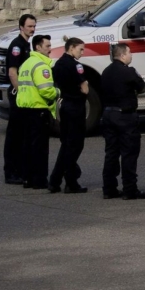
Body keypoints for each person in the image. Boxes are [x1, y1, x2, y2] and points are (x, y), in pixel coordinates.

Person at [100, 42, 145, 200]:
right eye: (129, 52)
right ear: (122, 55)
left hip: (108, 115)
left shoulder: (105, 72)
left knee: (111, 153)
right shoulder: (129, 72)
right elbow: (142, 87)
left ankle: (109, 188)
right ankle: (130, 189)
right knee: (129, 153)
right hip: (125, 116)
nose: (131, 55)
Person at [16, 34, 57, 190]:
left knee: (27, 146)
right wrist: (58, 93)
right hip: (38, 110)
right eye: (47, 46)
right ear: (38, 47)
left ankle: (27, 178)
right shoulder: (41, 66)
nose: (50, 49)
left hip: (25, 110)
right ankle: (39, 180)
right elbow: (46, 90)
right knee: (40, 148)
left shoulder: (26, 64)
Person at [49, 36, 89, 193]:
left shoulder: (58, 64)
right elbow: (85, 89)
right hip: (76, 108)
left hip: (64, 106)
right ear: (71, 48)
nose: (82, 52)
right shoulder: (76, 66)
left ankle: (58, 180)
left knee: (66, 144)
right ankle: (68, 179)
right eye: (80, 49)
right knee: (75, 145)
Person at [2, 14, 36, 185]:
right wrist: (20, 92)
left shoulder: (26, 44)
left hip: (23, 96)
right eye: (29, 26)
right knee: (15, 135)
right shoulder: (17, 46)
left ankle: (21, 169)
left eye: (33, 26)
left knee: (23, 134)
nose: (32, 29)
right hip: (18, 96)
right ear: (21, 27)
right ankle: (11, 172)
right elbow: (12, 72)